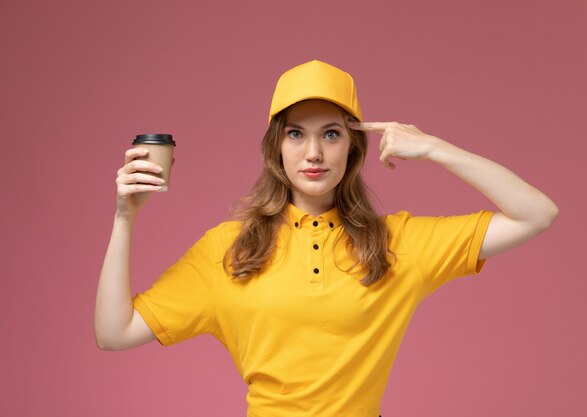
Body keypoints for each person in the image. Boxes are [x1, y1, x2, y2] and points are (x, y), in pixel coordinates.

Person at [95, 60, 559, 417]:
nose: (313, 153)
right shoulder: (229, 247)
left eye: (331, 134)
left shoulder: (397, 242)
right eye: (296, 134)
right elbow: (114, 334)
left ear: (353, 147)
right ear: (277, 146)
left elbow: (536, 214)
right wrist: (124, 217)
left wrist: (435, 148)